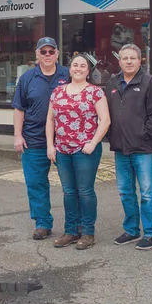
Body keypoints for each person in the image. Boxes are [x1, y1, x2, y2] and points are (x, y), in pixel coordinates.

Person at [45, 54, 110, 250]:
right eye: (75, 65)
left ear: (88, 71)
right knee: (68, 192)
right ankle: (71, 231)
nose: (78, 68)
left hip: (85, 151)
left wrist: (93, 142)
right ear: (70, 69)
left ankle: (88, 232)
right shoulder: (58, 92)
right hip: (62, 150)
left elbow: (105, 120)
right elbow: (50, 120)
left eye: (83, 66)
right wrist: (50, 145)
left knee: (85, 191)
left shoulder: (95, 92)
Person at [105, 44, 152, 250]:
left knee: (147, 193)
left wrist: (143, 135)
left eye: (133, 58)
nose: (129, 61)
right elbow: (106, 113)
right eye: (125, 58)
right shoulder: (112, 83)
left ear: (140, 61)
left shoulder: (151, 83)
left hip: (144, 148)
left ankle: (151, 234)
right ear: (119, 61)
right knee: (125, 191)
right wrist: (110, 135)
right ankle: (131, 230)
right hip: (120, 147)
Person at [13, 37, 71, 240]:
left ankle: (74, 225)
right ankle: (42, 223)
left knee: (71, 185)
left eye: (51, 51)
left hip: (64, 139)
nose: (47, 55)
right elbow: (19, 108)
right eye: (43, 51)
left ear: (57, 54)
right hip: (33, 139)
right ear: (37, 54)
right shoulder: (27, 78)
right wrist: (18, 135)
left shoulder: (68, 75)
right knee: (36, 183)